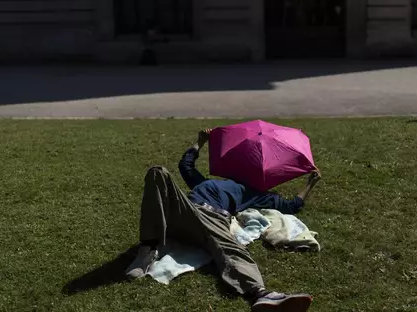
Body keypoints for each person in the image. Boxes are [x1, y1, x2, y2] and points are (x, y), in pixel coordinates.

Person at [125, 129, 322, 312]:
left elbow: (291, 205)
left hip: (214, 220)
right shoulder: (206, 183)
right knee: (157, 172)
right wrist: (200, 142)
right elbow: (186, 166)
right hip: (185, 211)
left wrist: (310, 183)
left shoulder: (255, 194)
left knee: (233, 250)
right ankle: (147, 250)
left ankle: (261, 295)